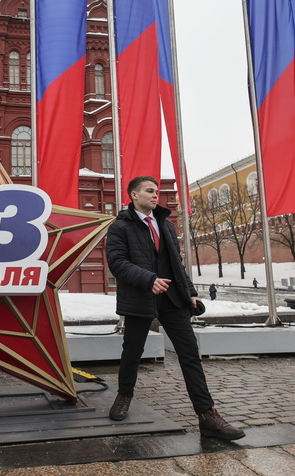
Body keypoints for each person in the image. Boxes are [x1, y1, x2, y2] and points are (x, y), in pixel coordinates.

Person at [105, 175, 245, 440]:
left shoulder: (165, 224)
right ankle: (124, 396)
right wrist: (148, 280)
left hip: (172, 300)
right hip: (140, 298)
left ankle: (207, 416)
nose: (155, 195)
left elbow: (176, 264)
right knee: (132, 352)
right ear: (133, 195)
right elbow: (117, 263)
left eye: (156, 191)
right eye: (149, 191)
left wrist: (190, 293)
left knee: (190, 354)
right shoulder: (120, 227)